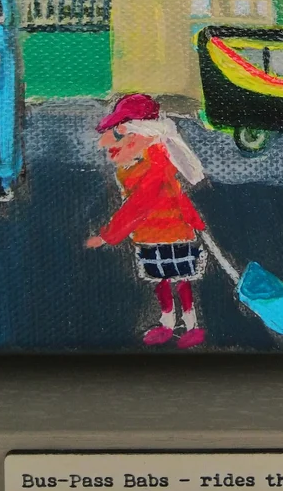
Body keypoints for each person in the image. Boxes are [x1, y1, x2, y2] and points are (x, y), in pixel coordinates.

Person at [85, 93, 209, 349]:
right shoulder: (140, 158)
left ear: (142, 132)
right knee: (161, 280)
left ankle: (191, 324)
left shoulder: (156, 161)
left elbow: (138, 205)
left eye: (123, 132)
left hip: (173, 232)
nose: (117, 140)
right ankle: (167, 323)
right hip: (150, 235)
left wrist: (108, 236)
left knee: (181, 279)